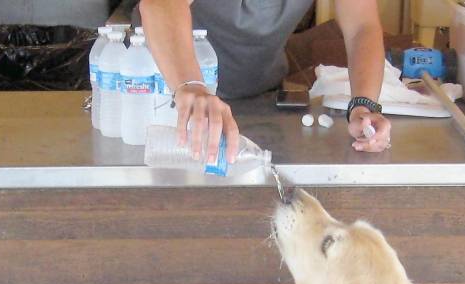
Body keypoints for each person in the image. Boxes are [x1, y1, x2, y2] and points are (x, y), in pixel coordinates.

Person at [139, 0, 391, 163]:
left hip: (261, 99)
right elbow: (161, 5)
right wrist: (190, 86)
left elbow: (361, 26)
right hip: (164, 95)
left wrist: (363, 106)